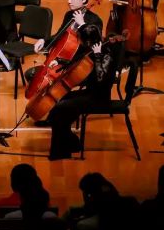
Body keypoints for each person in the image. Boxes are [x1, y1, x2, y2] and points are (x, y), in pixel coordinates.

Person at [46, 23, 121, 160]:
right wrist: (60, 62)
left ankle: (62, 152)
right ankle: (72, 143)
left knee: (59, 108)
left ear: (88, 41)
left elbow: (100, 79)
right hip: (90, 93)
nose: (79, 41)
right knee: (59, 100)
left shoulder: (106, 55)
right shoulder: (90, 49)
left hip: (99, 98)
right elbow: (77, 61)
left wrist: (97, 56)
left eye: (80, 39)